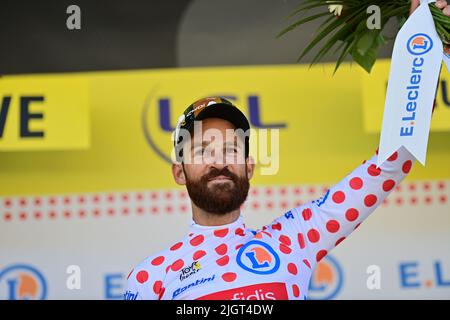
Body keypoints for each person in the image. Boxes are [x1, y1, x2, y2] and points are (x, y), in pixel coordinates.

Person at [124, 0, 450, 300]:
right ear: (178, 172)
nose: (219, 160)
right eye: (202, 150)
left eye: (231, 149)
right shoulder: (150, 278)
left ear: (249, 167)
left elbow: (388, 166)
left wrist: (423, 42)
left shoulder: (294, 239)